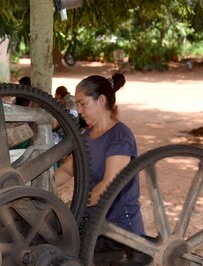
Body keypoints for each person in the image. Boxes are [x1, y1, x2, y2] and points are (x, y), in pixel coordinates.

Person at [54, 73, 144, 235]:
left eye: (82, 104)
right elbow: (67, 170)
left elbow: (109, 184)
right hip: (95, 223)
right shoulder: (87, 137)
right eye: (77, 105)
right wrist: (39, 189)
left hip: (120, 229)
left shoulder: (119, 137)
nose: (79, 110)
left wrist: (72, 208)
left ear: (101, 101)